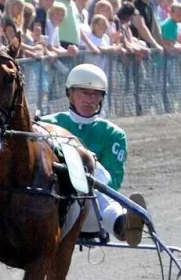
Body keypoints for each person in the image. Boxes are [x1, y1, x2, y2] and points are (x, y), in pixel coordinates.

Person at [42, 63, 148, 246]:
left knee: (90, 167)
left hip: (89, 212)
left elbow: (112, 183)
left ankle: (123, 225)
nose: (90, 99)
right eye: (83, 92)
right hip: (49, 204)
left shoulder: (114, 135)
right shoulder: (45, 125)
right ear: (70, 93)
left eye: (95, 94)